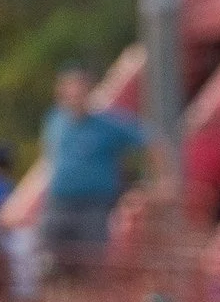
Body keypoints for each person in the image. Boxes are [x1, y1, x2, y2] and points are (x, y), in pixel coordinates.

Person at [38, 64, 158, 276]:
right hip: (59, 203)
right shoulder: (54, 121)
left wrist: (161, 181)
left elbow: (150, 142)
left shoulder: (108, 124)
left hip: (94, 205)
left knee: (91, 263)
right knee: (50, 264)